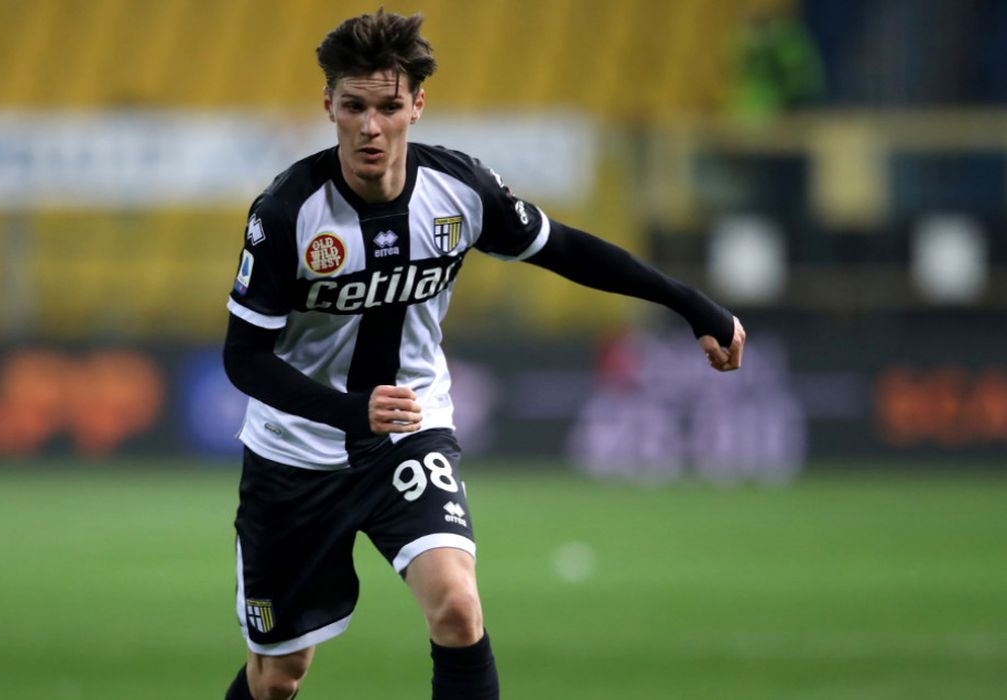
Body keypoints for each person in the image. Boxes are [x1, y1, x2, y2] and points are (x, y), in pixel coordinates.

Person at [221, 9, 746, 700]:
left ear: (417, 105)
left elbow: (566, 249)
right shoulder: (288, 213)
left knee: (457, 609)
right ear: (329, 106)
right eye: (353, 107)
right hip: (295, 454)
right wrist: (348, 410)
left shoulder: (458, 188)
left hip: (408, 434)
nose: (370, 127)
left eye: (388, 108)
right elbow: (244, 358)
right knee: (278, 679)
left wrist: (690, 303)